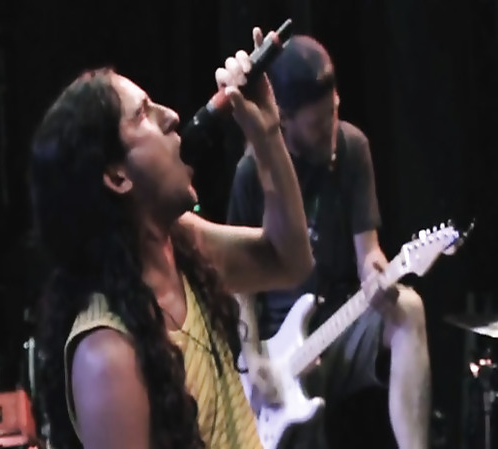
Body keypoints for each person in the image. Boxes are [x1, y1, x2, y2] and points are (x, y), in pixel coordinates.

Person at [30, 27, 315, 449]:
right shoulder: (106, 355)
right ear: (117, 176)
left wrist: (267, 133)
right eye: (142, 115)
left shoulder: (183, 247)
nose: (172, 116)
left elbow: (290, 260)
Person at [227, 36, 430, 449]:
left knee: (409, 308)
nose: (332, 130)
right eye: (318, 125)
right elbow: (239, 285)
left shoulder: (354, 148)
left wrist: (377, 271)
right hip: (280, 349)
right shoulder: (251, 172)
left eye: (334, 112)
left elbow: (368, 252)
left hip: (341, 323)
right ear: (284, 120)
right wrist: (253, 357)